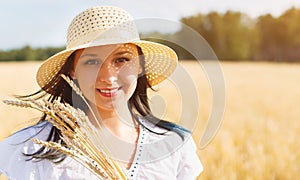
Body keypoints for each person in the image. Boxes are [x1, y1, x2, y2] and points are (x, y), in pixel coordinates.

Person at [0, 6, 203, 179]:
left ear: (140, 66)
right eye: (92, 61)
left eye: (122, 60)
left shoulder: (174, 146)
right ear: (73, 71)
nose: (108, 77)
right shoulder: (28, 149)